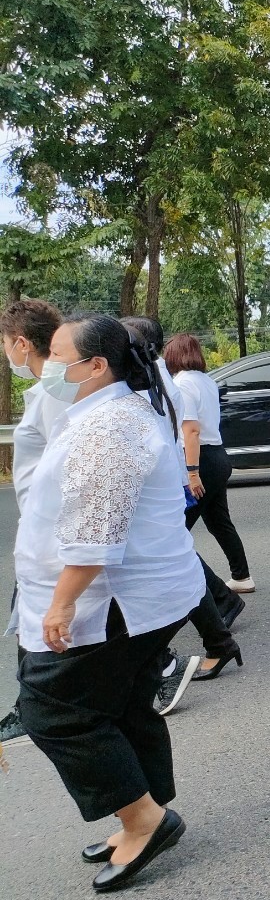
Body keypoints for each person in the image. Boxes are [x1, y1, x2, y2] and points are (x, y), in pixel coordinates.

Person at [14, 313, 202, 892]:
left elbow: (97, 531)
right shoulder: (106, 413)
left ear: (96, 366)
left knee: (53, 710)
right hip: (146, 593)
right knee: (121, 704)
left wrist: (61, 606)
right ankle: (142, 811)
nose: (47, 363)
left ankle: (145, 819)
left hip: (117, 599)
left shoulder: (110, 427)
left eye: (57, 354)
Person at [121, 318, 243, 698]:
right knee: (194, 541)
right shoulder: (187, 380)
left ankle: (180, 649)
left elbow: (187, 430)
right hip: (193, 466)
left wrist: (191, 473)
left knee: (174, 555)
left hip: (186, 469)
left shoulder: (166, 381)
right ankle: (225, 608)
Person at [1, 299, 67, 746]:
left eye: (5, 342)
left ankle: (32, 707)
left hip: (50, 536)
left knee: (36, 630)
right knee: (29, 626)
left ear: (22, 343)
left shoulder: (53, 395)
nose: (6, 352)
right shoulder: (52, 390)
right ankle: (29, 704)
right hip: (42, 534)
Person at [163, 332, 256, 595]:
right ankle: (242, 577)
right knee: (219, 523)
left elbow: (191, 430)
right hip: (217, 456)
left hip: (199, 460)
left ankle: (193, 588)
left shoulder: (182, 384)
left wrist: (192, 474)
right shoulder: (207, 381)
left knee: (175, 530)